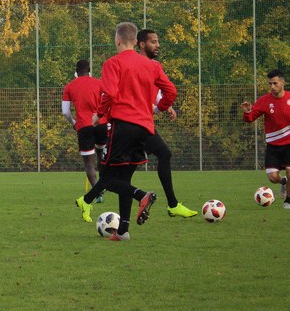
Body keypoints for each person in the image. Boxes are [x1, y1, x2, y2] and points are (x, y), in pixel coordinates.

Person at [74, 22, 177, 241]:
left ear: (118, 40)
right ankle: (122, 232)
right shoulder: (151, 65)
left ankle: (142, 195)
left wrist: (99, 114)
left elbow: (110, 93)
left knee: (107, 178)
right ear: (135, 41)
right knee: (124, 177)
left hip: (123, 126)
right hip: (145, 128)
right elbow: (171, 91)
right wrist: (160, 108)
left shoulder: (112, 63)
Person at [136, 29, 198, 218]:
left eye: (158, 41)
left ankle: (171, 204)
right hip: (135, 121)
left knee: (123, 169)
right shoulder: (137, 65)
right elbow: (137, 96)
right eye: (153, 42)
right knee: (121, 170)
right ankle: (170, 204)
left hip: (140, 121)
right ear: (142, 44)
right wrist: (159, 108)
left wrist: (164, 106)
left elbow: (155, 92)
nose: (158, 45)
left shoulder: (154, 65)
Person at [242, 69, 290, 210]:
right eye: (270, 84)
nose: (272, 86)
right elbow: (250, 118)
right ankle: (283, 182)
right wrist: (247, 112)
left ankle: (288, 202)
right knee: (272, 177)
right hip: (273, 145)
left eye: (275, 83)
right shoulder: (264, 101)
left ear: (282, 83)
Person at [61, 59, 106, 203]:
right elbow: (107, 101)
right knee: (101, 154)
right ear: (89, 71)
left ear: (76, 71)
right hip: (100, 123)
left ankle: (98, 193)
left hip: (84, 126)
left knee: (88, 162)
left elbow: (65, 112)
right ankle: (104, 183)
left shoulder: (69, 87)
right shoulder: (99, 83)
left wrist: (74, 123)